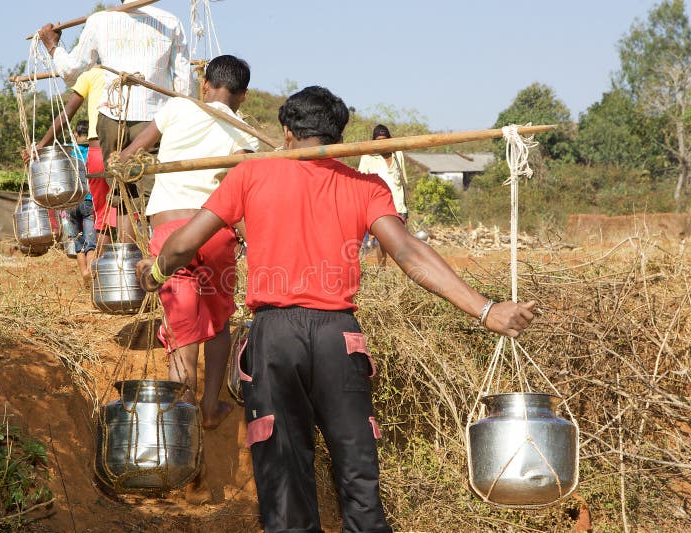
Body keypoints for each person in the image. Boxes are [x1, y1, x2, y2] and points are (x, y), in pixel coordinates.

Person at [135, 86, 537, 532]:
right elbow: (408, 253)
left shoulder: (250, 174)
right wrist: (487, 310)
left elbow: (184, 244)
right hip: (339, 341)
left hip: (274, 340)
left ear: (287, 133)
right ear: (340, 135)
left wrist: (153, 273)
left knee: (284, 482)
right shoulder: (366, 185)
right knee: (357, 471)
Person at [119, 54, 258, 428]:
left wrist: (122, 160)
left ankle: (180, 417)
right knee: (218, 322)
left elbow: (132, 155)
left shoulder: (179, 106)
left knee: (182, 327)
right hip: (213, 232)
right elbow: (244, 190)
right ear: (243, 95)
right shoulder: (245, 131)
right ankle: (209, 408)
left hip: (170, 233)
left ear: (205, 85)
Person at [38, 0, 191, 242]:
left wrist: (53, 46)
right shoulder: (171, 22)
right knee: (156, 197)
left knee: (122, 197)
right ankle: (159, 264)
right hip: (153, 122)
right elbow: (183, 86)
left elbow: (70, 72)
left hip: (111, 120)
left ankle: (126, 267)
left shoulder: (99, 20)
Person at [25, 67, 117, 250]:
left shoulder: (92, 74)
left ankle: (102, 273)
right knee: (131, 213)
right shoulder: (128, 69)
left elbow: (67, 112)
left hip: (98, 154)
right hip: (131, 149)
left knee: (102, 221)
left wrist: (42, 145)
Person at [359, 124, 409, 266]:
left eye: (385, 140)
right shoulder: (368, 157)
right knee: (382, 241)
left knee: (403, 242)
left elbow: (403, 181)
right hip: (379, 206)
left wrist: (406, 206)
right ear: (374, 141)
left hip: (398, 204)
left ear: (390, 140)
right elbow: (362, 183)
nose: (382, 143)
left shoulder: (397, 154)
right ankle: (382, 270)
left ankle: (405, 275)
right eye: (379, 140)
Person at [62, 120, 97, 285]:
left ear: (76, 134)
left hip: (71, 203)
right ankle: (90, 273)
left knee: (78, 242)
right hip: (90, 201)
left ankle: (84, 274)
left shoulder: (69, 152)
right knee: (91, 243)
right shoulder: (94, 151)